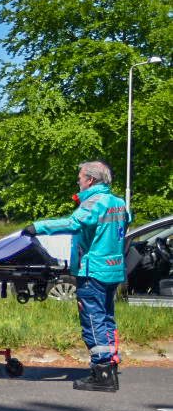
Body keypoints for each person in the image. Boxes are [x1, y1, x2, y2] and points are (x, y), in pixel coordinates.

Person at [27, 160, 129, 392]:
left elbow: (74, 223)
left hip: (93, 269)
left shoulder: (94, 202)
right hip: (113, 269)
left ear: (90, 180)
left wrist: (38, 227)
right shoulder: (118, 202)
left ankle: (102, 373)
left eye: (80, 177)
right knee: (106, 318)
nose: (78, 181)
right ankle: (110, 365)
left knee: (92, 319)